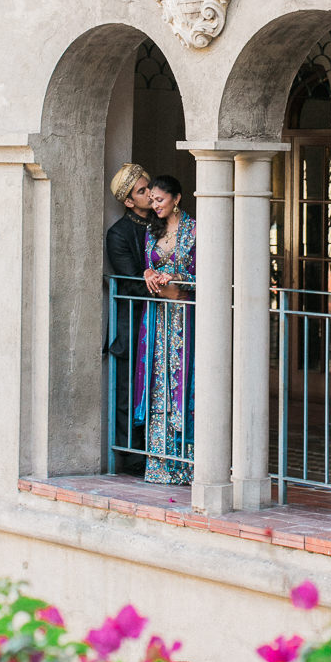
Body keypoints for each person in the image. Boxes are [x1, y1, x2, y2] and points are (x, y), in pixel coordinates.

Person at [134, 175, 196, 484]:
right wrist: (149, 272)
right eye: (152, 200)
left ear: (177, 198)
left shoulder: (195, 230)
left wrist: (177, 278)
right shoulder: (152, 230)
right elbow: (149, 264)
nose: (155, 205)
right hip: (158, 318)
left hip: (185, 316)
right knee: (159, 384)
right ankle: (159, 464)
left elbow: (207, 273)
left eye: (160, 200)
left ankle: (187, 464)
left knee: (183, 382)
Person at [105, 163, 153, 473]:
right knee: (129, 387)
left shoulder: (164, 223)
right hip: (133, 320)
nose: (150, 194)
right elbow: (131, 281)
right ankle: (133, 456)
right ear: (128, 200)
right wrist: (166, 288)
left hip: (164, 317)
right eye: (142, 191)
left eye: (150, 187)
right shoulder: (119, 233)